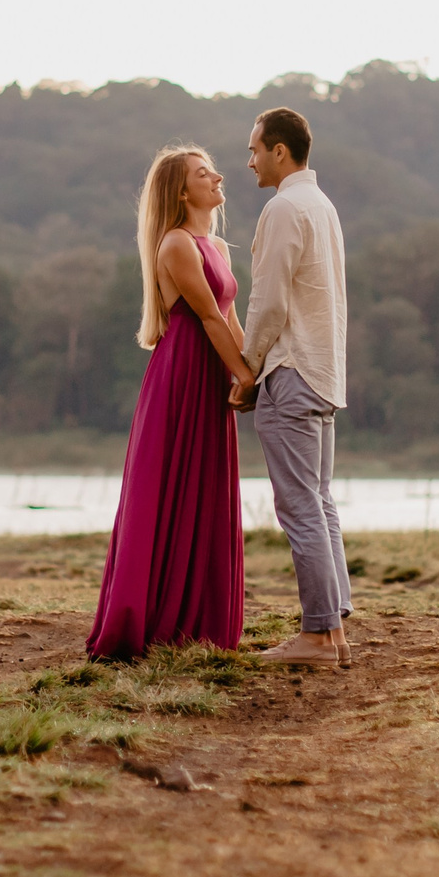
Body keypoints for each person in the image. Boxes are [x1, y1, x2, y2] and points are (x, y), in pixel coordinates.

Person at [85, 145, 254, 659]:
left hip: (210, 372)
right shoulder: (176, 245)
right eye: (205, 174)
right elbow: (206, 319)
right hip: (181, 374)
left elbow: (230, 319)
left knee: (204, 488)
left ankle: (200, 623)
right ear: (182, 191)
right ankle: (153, 621)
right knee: (168, 490)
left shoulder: (219, 247)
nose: (219, 176)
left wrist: (254, 370)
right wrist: (243, 375)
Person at [235, 106, 351, 667]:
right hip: (324, 372)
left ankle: (317, 636)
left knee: (300, 506)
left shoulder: (284, 207)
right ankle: (332, 632)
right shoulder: (321, 205)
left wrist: (247, 368)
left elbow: (270, 300)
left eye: (254, 149)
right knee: (319, 502)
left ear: (280, 151)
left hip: (292, 371)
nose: (249, 160)